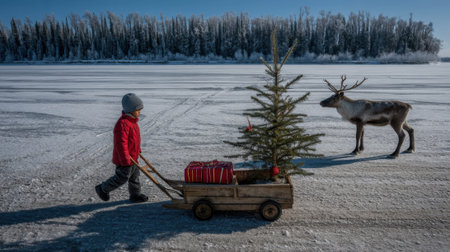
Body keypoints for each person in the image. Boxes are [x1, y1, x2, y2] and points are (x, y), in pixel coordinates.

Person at [95, 93, 148, 203]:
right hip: (124, 159)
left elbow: (134, 140)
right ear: (130, 110)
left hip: (133, 157)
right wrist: (125, 159)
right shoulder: (123, 124)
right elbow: (121, 144)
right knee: (122, 178)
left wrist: (137, 150)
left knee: (135, 177)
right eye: (138, 110)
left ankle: (135, 195)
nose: (139, 112)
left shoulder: (132, 122)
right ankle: (103, 188)